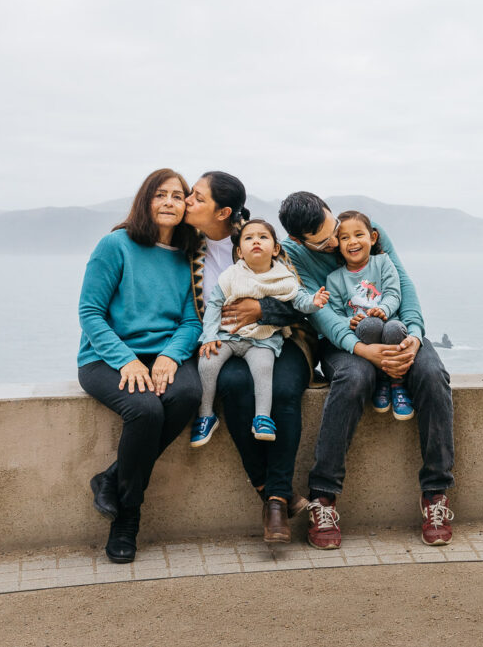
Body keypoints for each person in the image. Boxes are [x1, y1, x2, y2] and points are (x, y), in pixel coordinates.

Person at [257, 192, 455, 549]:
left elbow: (402, 283)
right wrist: (362, 350)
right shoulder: (292, 256)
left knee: (431, 375)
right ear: (301, 240)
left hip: (394, 327)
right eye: (326, 242)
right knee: (354, 378)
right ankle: (323, 497)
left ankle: (435, 494)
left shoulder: (365, 229)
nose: (338, 242)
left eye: (335, 228)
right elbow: (320, 313)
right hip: (342, 340)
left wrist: (414, 334)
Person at [183, 172, 318, 543]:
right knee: (233, 384)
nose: (188, 200)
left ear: (223, 211)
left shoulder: (258, 238)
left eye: (197, 197)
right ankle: (272, 492)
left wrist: (262, 309)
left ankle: (275, 502)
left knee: (284, 390)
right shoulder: (187, 248)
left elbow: (299, 304)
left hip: (280, 338)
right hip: (224, 342)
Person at [79, 168, 203, 564]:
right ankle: (127, 517)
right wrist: (126, 361)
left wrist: (169, 355)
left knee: (187, 394)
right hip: (106, 357)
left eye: (177, 196)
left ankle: (112, 477)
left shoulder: (189, 255)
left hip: (162, 355)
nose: (169, 202)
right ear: (145, 201)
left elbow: (192, 322)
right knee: (146, 410)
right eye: (160, 194)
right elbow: (90, 313)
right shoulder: (115, 245)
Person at [195, 219, 327, 446]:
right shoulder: (231, 275)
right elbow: (214, 305)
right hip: (227, 336)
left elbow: (299, 302)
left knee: (264, 369)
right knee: (208, 362)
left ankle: (262, 418)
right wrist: (209, 336)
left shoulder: (284, 277)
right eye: (249, 238)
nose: (256, 241)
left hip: (262, 338)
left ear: (276, 249)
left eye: (263, 237)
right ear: (239, 251)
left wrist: (314, 302)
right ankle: (205, 415)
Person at [324, 210, 414, 420]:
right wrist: (350, 321)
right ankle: (382, 380)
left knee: (393, 327)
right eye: (344, 237)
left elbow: (393, 293)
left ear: (372, 237)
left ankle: (397, 383)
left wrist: (383, 309)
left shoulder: (383, 262)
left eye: (359, 235)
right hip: (364, 332)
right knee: (369, 325)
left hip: (390, 326)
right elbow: (336, 313)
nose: (352, 241)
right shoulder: (334, 279)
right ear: (337, 244)